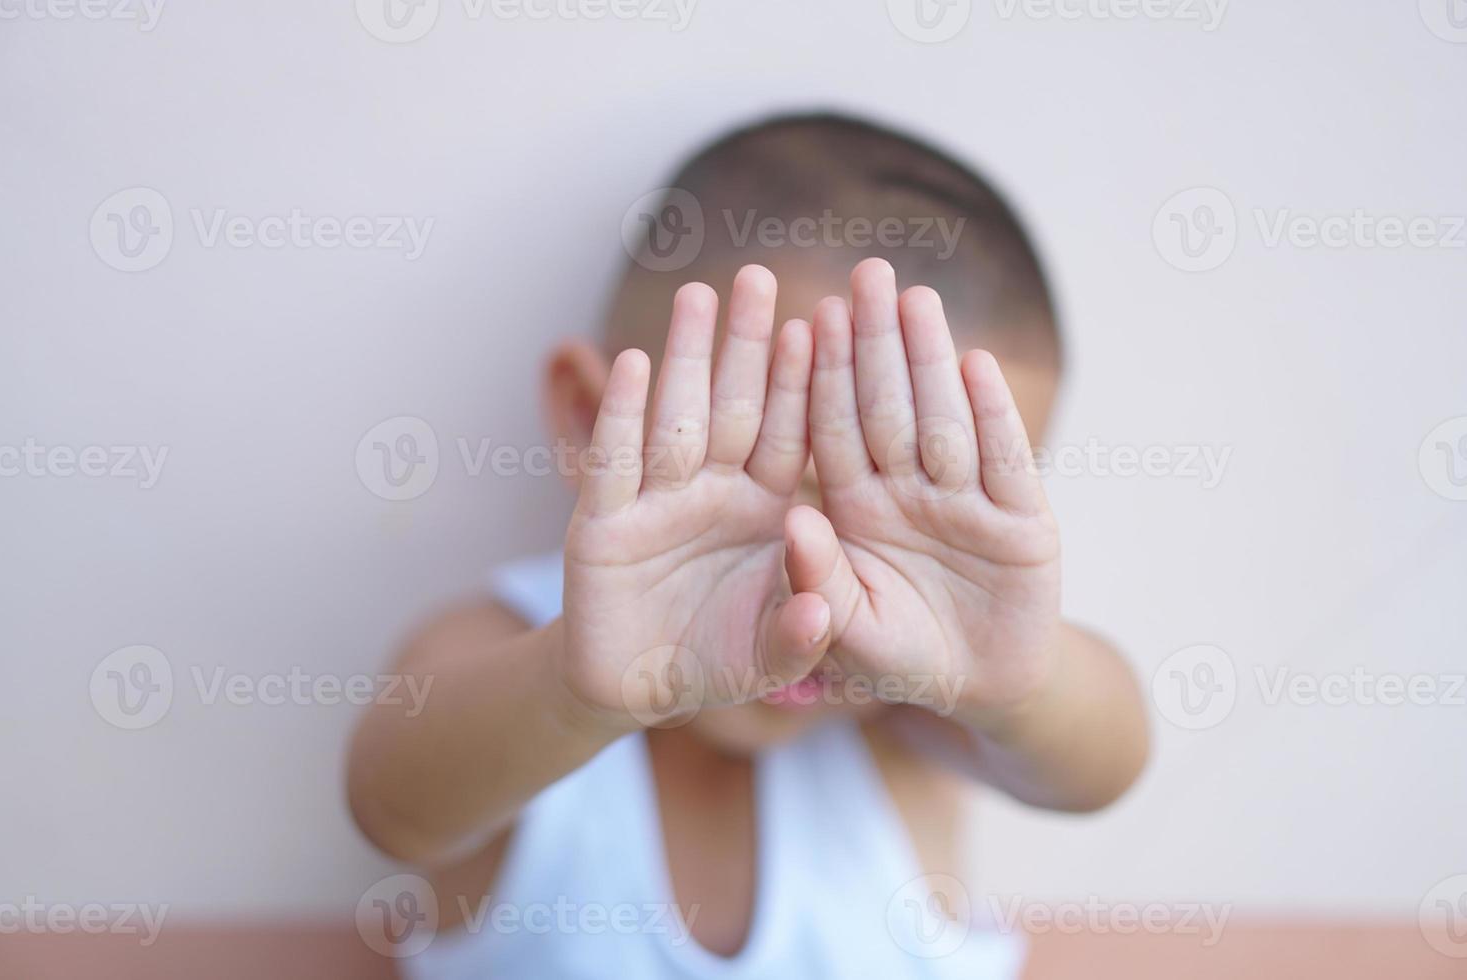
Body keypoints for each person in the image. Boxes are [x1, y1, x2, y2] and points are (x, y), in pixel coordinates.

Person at [347, 112, 1150, 978]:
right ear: (591, 419)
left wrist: (1013, 680)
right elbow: (395, 808)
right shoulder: (511, 660)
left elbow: (1102, 762)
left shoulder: (912, 724)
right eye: (762, 484)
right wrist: (578, 692)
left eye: (921, 533)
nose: (820, 594)